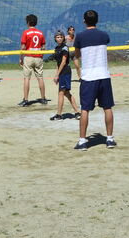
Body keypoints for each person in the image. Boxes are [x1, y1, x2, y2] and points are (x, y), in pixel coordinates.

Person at [72, 9, 116, 150]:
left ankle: (83, 141)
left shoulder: (79, 37)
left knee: (85, 109)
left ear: (84, 21)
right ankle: (109, 139)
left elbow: (77, 55)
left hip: (89, 77)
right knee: (107, 108)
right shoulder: (104, 35)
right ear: (97, 20)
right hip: (103, 76)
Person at [49, 31, 81, 121]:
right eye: (57, 37)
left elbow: (63, 62)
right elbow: (58, 64)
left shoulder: (65, 48)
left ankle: (59, 115)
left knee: (61, 93)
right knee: (66, 93)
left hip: (65, 72)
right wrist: (57, 74)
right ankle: (78, 112)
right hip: (61, 72)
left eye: (60, 37)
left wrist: (57, 75)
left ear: (63, 38)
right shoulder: (57, 48)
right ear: (55, 38)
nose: (59, 38)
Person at [18, 14, 47, 106]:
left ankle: (26, 100)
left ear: (28, 22)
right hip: (38, 57)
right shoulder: (40, 33)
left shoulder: (26, 33)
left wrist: (21, 58)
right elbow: (43, 47)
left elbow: (23, 47)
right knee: (40, 78)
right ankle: (43, 98)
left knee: (27, 78)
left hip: (29, 57)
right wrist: (41, 56)